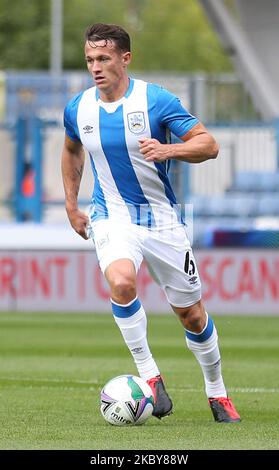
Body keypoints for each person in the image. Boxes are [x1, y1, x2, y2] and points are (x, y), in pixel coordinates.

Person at [61, 23, 241, 423]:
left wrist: (169, 148)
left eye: (104, 58)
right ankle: (151, 378)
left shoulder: (155, 100)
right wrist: (72, 205)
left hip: (160, 221)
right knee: (122, 282)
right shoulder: (79, 108)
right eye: (90, 59)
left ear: (125, 59)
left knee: (192, 315)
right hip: (112, 217)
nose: (96, 66)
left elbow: (208, 144)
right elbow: (72, 149)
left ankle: (217, 392)